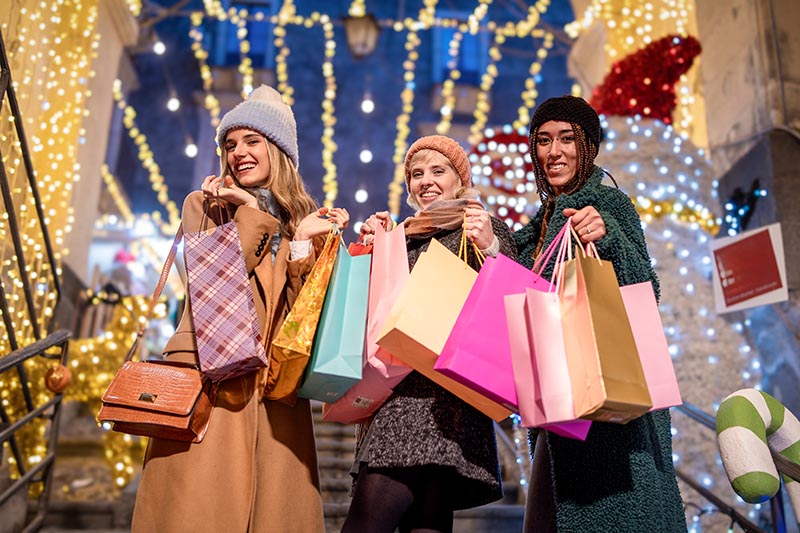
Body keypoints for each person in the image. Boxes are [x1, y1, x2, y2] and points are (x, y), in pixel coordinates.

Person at [130, 85, 349, 533]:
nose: (239, 153)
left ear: (278, 150)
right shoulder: (206, 205)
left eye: (252, 141)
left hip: (273, 395)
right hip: (209, 387)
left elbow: (299, 317)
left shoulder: (297, 220)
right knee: (197, 512)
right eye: (231, 144)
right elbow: (215, 284)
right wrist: (249, 213)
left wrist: (305, 244)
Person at [513, 95, 686, 532]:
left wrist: (607, 239)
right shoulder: (540, 222)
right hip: (561, 405)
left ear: (587, 145)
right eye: (544, 140)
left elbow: (646, 287)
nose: (554, 152)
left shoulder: (610, 203)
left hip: (609, 417)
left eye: (567, 139)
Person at [342, 135, 516, 533]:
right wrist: (374, 248)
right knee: (426, 523)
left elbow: (514, 287)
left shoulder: (478, 226)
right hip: (396, 393)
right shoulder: (401, 236)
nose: (426, 181)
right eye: (416, 174)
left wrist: (491, 245)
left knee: (366, 523)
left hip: (442, 400)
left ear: (460, 180)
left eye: (439, 171)